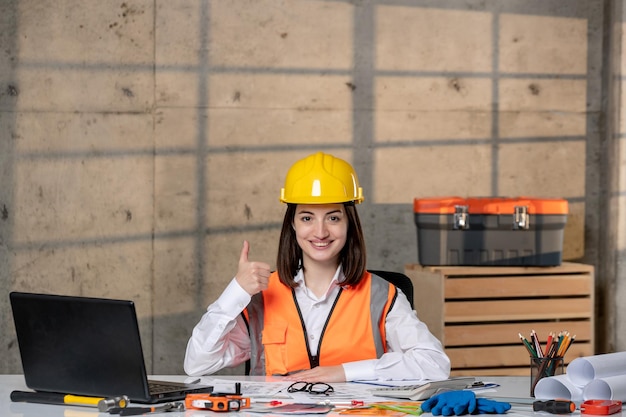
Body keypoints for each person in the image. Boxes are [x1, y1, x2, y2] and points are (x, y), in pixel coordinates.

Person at [184, 152, 450, 382]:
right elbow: (197, 364)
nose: (320, 232)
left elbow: (434, 364)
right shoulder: (261, 297)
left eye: (333, 217)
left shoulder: (381, 296)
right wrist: (235, 292)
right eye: (307, 217)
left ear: (349, 224)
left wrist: (345, 372)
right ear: (293, 224)